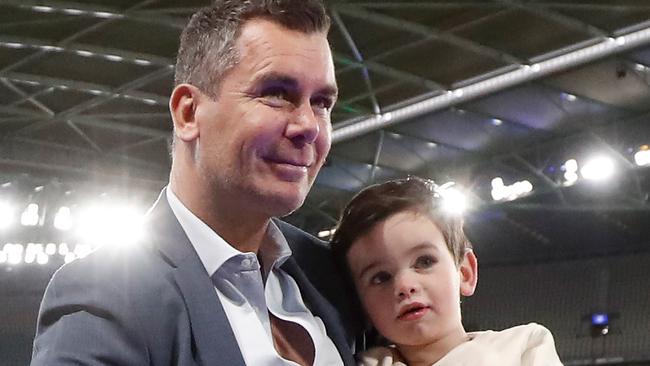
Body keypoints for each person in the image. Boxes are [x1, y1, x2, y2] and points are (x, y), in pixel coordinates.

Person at [31, 1, 358, 365]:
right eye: (277, 93)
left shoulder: (331, 272)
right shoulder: (103, 298)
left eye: (322, 102)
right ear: (188, 112)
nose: (309, 126)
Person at [331, 177, 563, 366]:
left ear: (464, 273)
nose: (404, 286)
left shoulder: (524, 347)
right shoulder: (367, 363)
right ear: (361, 305)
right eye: (380, 277)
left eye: (424, 261)